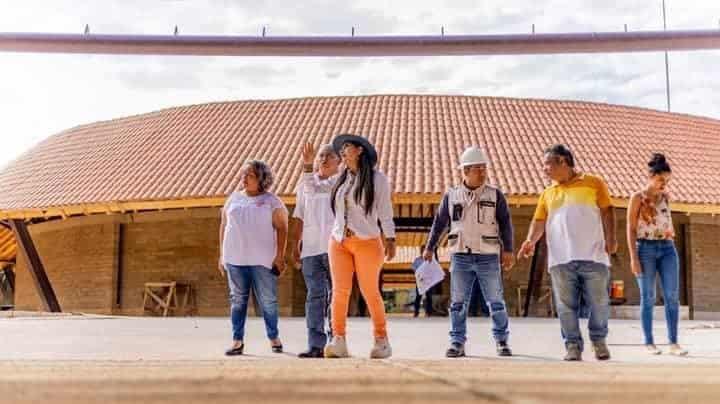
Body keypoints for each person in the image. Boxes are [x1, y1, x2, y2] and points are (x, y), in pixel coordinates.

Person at [300, 134, 396, 359]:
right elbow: (312, 189)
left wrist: (390, 238)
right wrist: (307, 164)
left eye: (347, 147)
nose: (342, 151)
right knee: (340, 292)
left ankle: (381, 340)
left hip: (368, 242)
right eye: (340, 148)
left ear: (360, 151)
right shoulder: (339, 180)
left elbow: (385, 211)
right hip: (339, 241)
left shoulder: (377, 179)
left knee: (370, 292)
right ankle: (339, 340)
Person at [518, 144, 617, 361]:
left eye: (547, 164)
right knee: (565, 307)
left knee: (599, 302)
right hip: (560, 259)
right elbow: (539, 222)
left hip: (594, 255)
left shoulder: (594, 183)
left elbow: (608, 211)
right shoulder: (547, 193)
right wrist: (529, 241)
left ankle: (598, 341)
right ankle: (573, 345)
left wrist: (611, 238)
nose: (544, 169)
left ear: (562, 161)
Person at [424, 146, 514, 358]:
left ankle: (502, 341)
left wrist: (508, 249)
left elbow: (506, 223)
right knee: (457, 302)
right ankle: (457, 342)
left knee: (495, 301)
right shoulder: (452, 195)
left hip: (488, 255)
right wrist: (430, 247)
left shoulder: (495, 195)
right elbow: (440, 223)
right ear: (465, 171)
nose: (482, 172)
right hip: (461, 255)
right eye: (477, 168)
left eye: (484, 168)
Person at [218, 160, 288, 356]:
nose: (244, 178)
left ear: (261, 179)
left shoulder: (272, 201)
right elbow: (224, 226)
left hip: (263, 261)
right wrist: (221, 255)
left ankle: (274, 337)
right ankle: (237, 340)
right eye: (243, 174)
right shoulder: (233, 199)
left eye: (249, 175)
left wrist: (280, 256)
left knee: (268, 301)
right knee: (238, 301)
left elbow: (283, 228)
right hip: (235, 259)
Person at [627, 153, 688, 356]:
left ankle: (673, 343)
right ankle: (649, 342)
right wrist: (633, 258)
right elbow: (630, 228)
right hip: (645, 249)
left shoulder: (666, 198)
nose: (664, 184)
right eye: (661, 179)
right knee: (648, 297)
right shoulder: (637, 198)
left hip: (668, 248)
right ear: (650, 175)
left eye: (667, 180)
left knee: (672, 296)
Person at [292, 144, 341, 358]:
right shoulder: (304, 185)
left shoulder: (340, 183)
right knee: (315, 296)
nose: (324, 159)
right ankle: (315, 344)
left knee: (336, 296)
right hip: (310, 249)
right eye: (321, 155)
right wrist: (294, 245)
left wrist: (307, 167)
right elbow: (299, 216)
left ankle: (335, 341)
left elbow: (315, 187)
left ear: (338, 162)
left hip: (335, 247)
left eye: (329, 156)